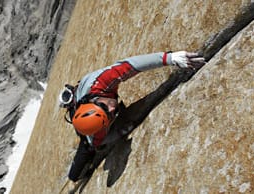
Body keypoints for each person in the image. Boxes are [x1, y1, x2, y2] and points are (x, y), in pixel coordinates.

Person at [59, 51, 206, 184]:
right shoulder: (97, 132)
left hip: (85, 110)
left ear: (92, 101)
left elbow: (131, 65)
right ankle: (73, 176)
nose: (112, 108)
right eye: (109, 114)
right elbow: (98, 142)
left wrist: (170, 58)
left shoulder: (100, 83)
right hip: (86, 125)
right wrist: (119, 132)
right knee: (85, 152)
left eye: (104, 107)